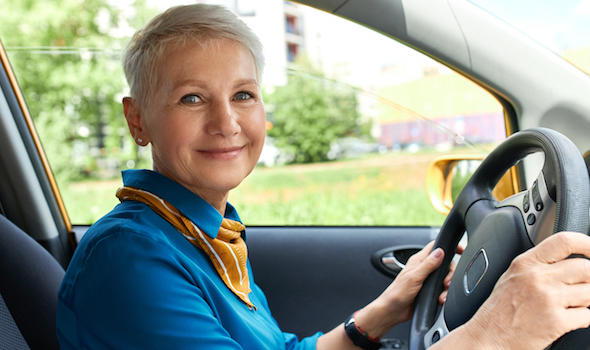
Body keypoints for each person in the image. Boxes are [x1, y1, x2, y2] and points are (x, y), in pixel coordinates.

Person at [56, 4, 590, 349]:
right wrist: (494, 332)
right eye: (191, 97)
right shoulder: (129, 256)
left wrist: (380, 315)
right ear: (138, 119)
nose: (227, 122)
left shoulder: (205, 230)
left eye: (244, 94)